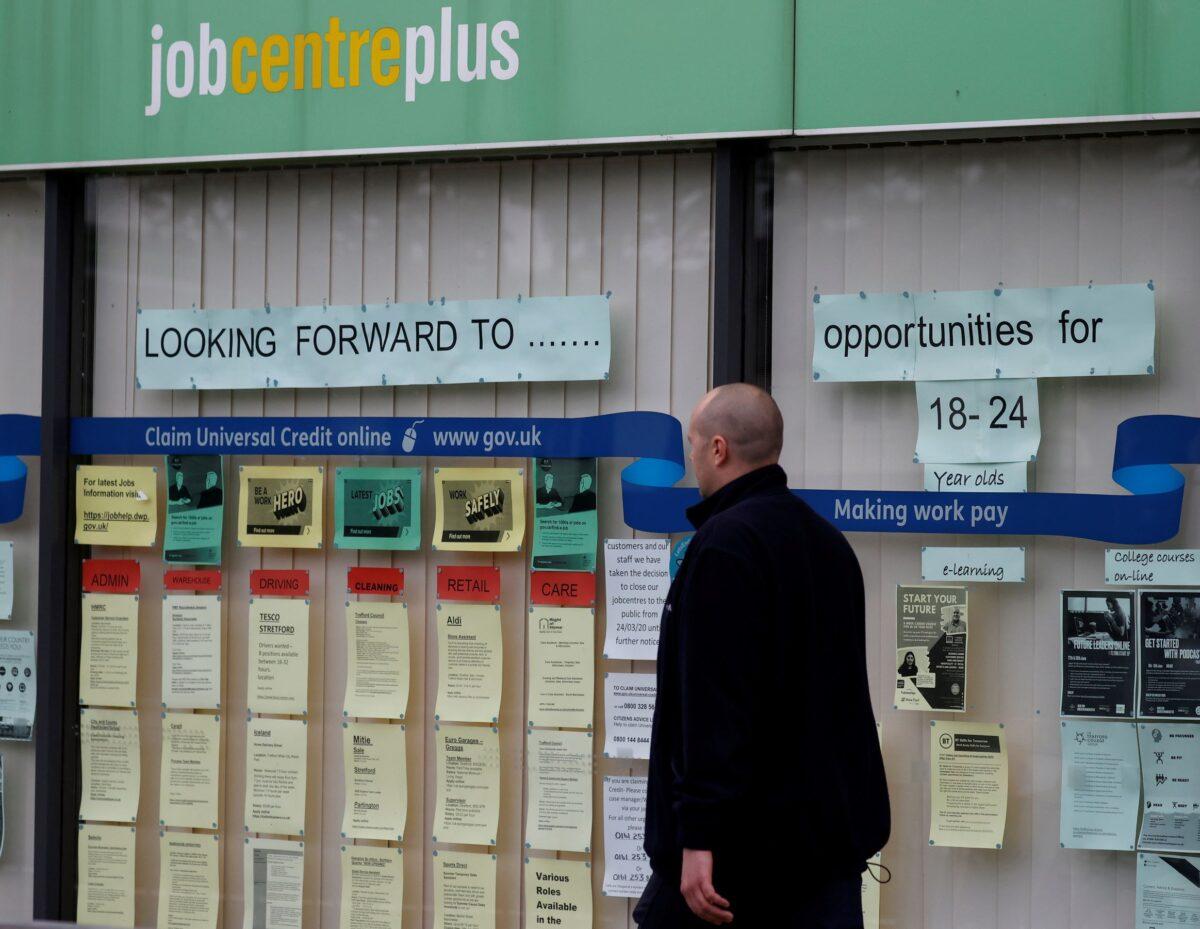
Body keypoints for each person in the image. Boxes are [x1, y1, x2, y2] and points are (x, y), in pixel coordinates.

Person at [637, 383, 890, 929]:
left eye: (693, 445)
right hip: (825, 859)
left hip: (741, 866)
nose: (692, 459)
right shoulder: (830, 544)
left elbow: (711, 703)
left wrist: (697, 837)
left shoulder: (724, 546)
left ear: (719, 449)